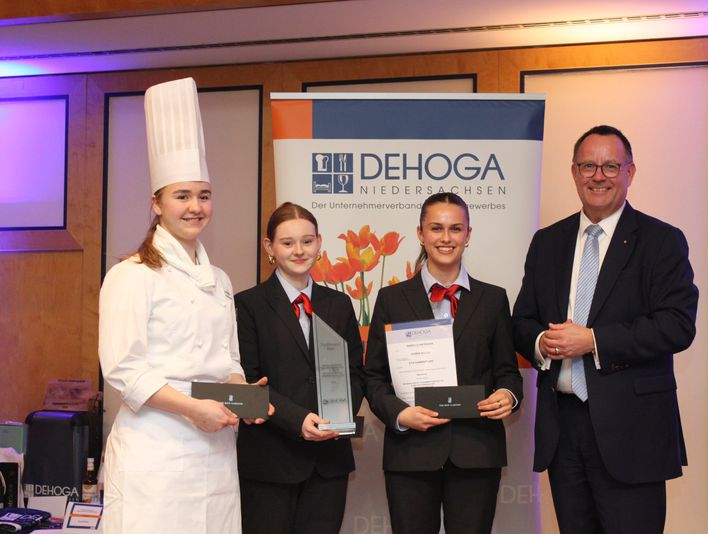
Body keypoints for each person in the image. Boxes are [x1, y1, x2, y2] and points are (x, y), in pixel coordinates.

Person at [99, 77, 271, 534]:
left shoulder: (220, 280)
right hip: (154, 450)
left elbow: (228, 361)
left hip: (214, 452)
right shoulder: (131, 274)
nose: (195, 207)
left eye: (204, 196)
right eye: (182, 196)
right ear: (156, 203)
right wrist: (194, 409)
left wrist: (242, 394)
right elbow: (124, 369)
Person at [512, 125, 699, 534]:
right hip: (563, 430)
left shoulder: (661, 241)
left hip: (633, 431)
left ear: (630, 172)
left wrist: (593, 341)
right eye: (588, 166)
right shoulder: (547, 242)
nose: (598, 176)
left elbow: (677, 325)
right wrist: (544, 342)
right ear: (574, 172)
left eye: (610, 166)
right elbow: (522, 321)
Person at [365, 192, 523, 534]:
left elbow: (507, 372)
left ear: (468, 234)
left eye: (455, 228)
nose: (446, 238)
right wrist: (400, 414)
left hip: (477, 450)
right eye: (436, 228)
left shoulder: (493, 299)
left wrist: (508, 396)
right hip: (410, 452)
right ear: (421, 234)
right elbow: (374, 377)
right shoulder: (391, 299)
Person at [235, 202, 366, 534]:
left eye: (307, 241)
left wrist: (339, 416)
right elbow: (248, 381)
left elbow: (355, 372)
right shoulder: (247, 305)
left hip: (329, 460)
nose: (299, 251)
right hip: (269, 459)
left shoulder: (339, 304)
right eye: (287, 242)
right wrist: (298, 420)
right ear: (270, 247)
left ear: (319, 243)